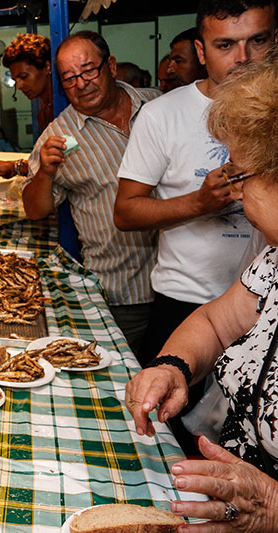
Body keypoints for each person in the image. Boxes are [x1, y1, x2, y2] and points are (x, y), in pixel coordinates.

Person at [115, 0, 276, 454]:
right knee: (181, 444)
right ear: (203, 51)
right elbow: (125, 212)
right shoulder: (164, 114)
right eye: (226, 45)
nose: (243, 59)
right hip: (185, 302)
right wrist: (201, 202)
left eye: (257, 41)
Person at [126, 59, 278, 529]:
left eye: (240, 173)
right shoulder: (273, 261)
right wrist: (173, 366)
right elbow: (215, 320)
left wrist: (272, 508)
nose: (233, 189)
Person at [23, 31, 160, 356]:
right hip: (121, 292)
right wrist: (45, 173)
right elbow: (34, 209)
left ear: (110, 65)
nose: (81, 84)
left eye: (88, 71)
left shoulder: (157, 105)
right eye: (69, 78)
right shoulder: (58, 136)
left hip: (185, 283)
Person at [0, 34, 52, 178]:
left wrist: (15, 167)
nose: (19, 86)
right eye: (15, 80)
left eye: (24, 77)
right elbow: (46, 165)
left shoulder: (68, 107)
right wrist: (13, 167)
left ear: (47, 67)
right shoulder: (43, 111)